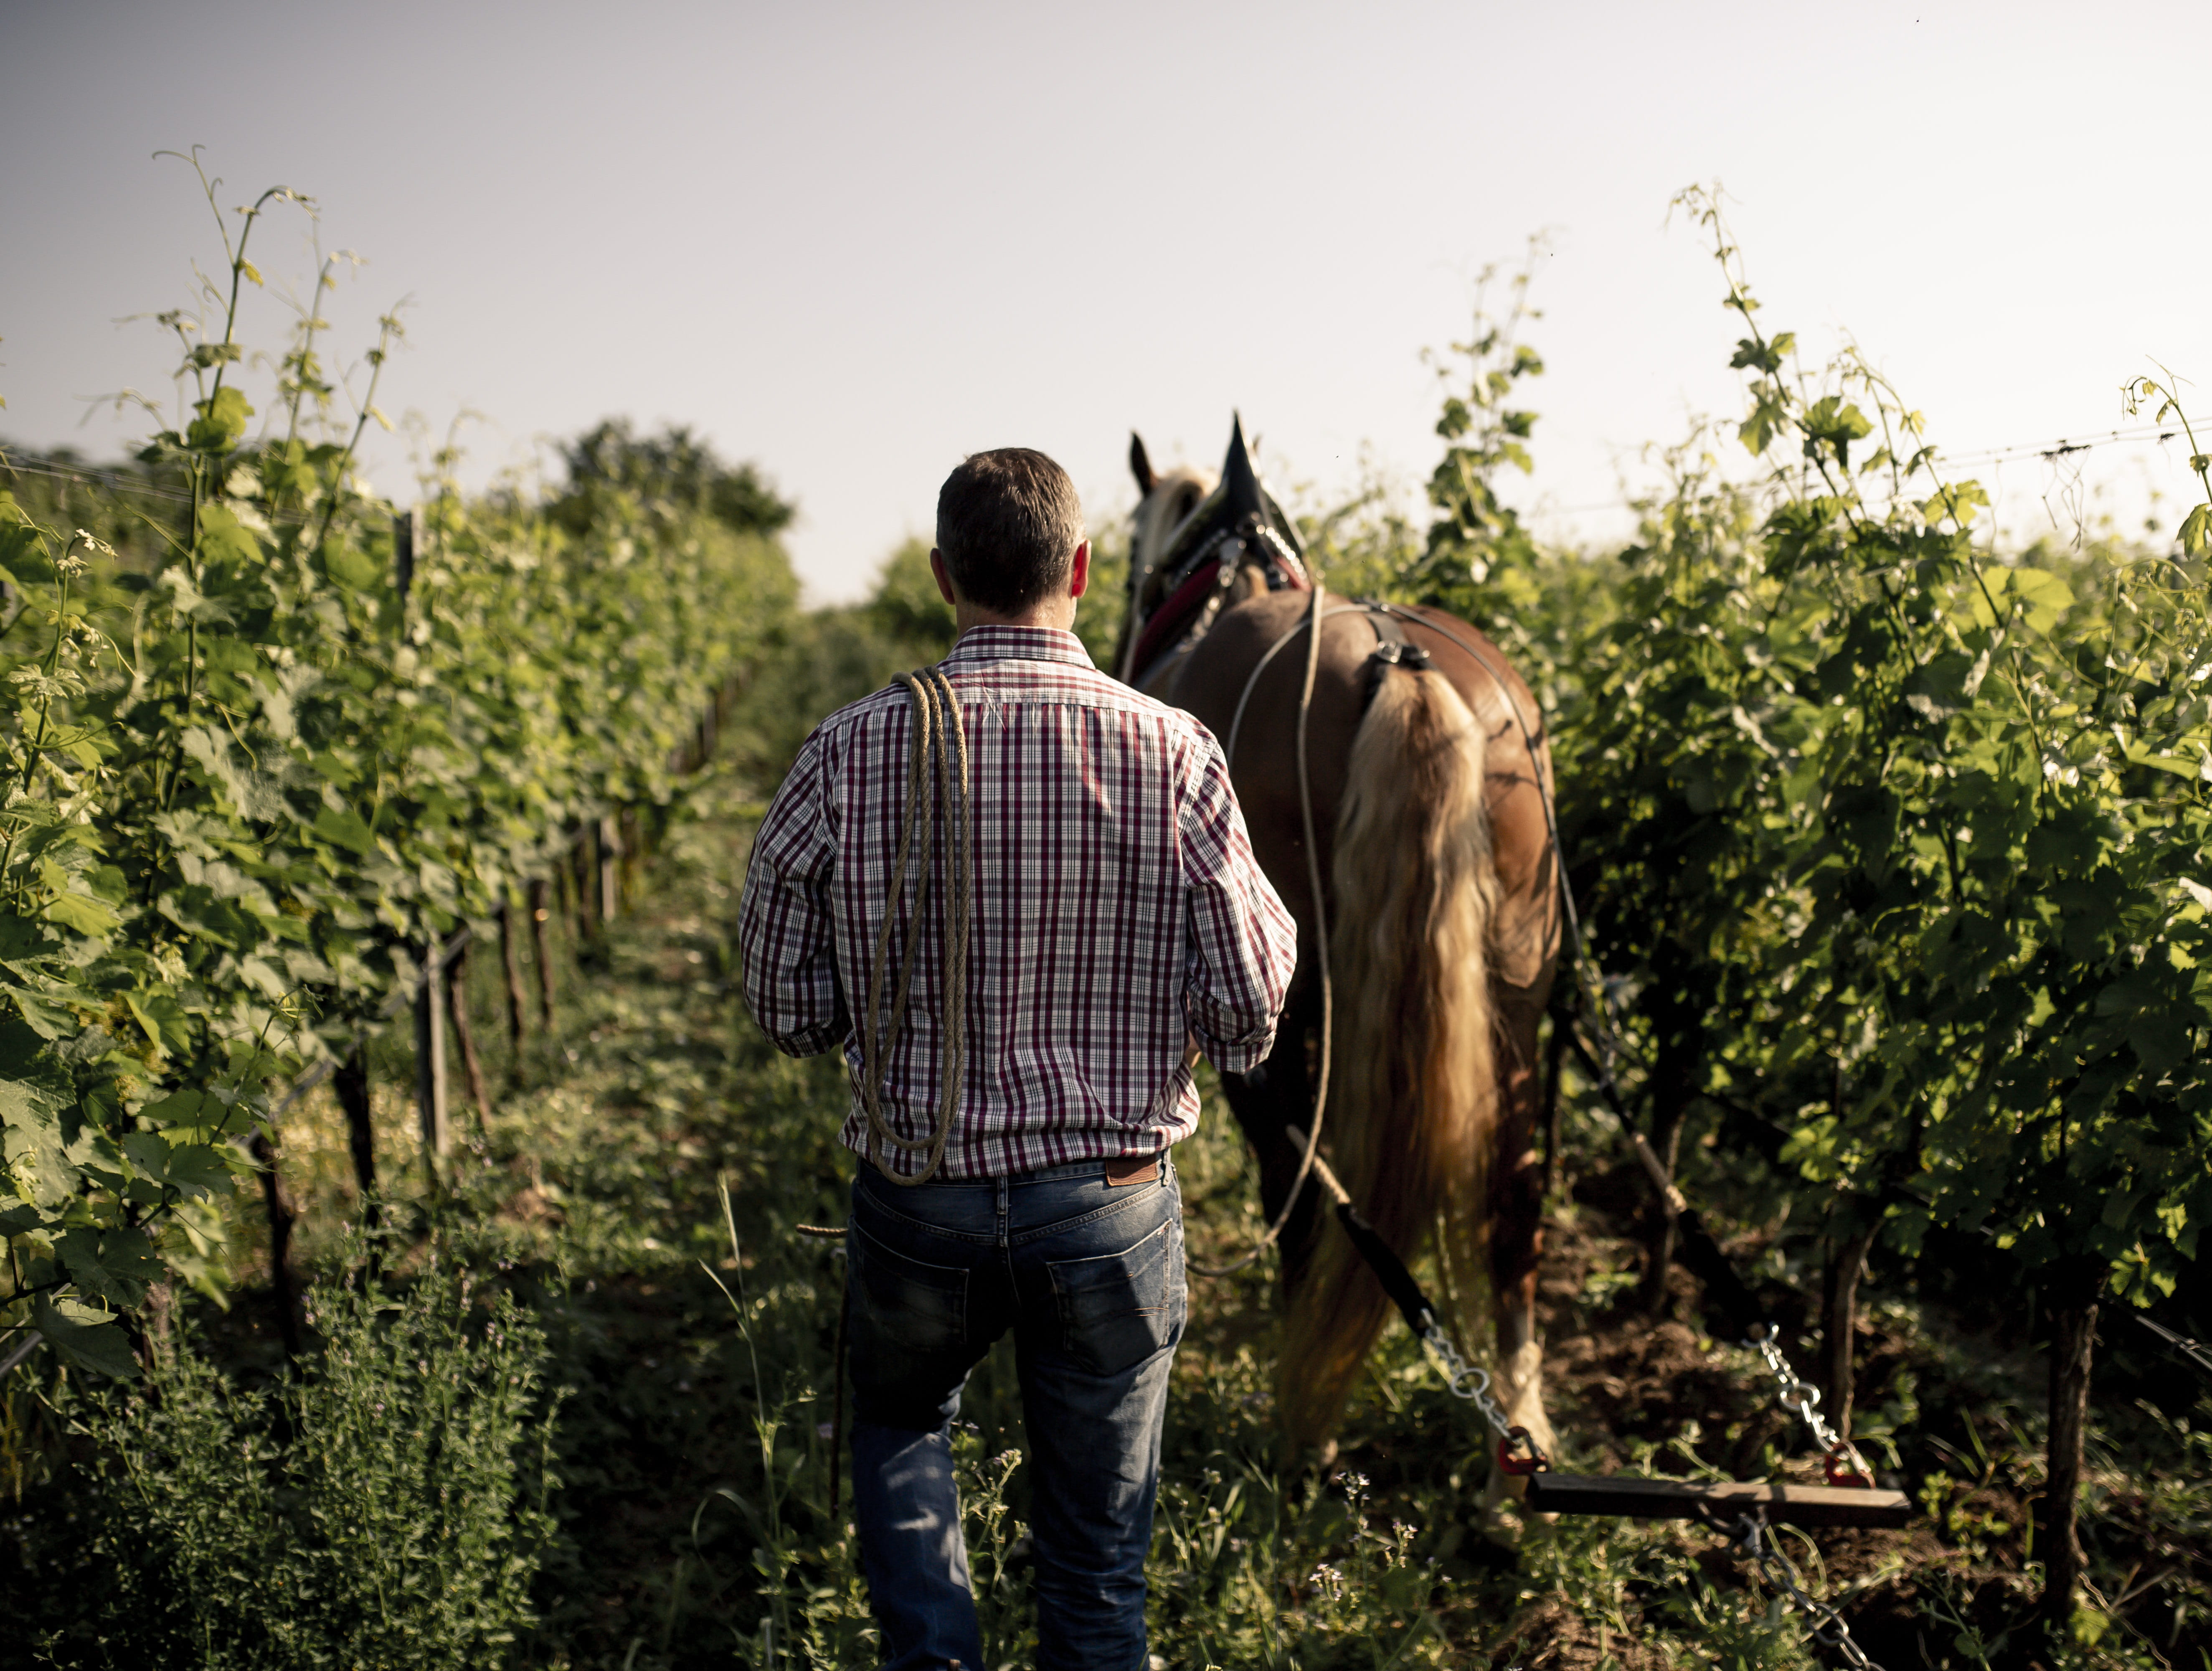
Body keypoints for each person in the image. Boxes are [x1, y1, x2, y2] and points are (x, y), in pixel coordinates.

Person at [737, 447, 1296, 1671]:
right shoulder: (1178, 752)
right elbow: (1254, 1005)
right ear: (1085, 572)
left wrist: (873, 1011)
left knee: (897, 1421)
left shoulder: (847, 749)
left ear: (945, 577)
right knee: (1098, 1581)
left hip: (918, 1197)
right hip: (1108, 1204)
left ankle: (933, 1654)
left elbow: (783, 1002)